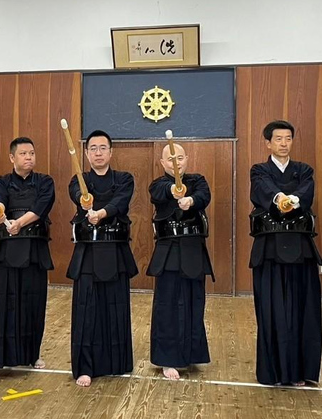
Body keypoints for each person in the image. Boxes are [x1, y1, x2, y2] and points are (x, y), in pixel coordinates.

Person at [250, 120, 322, 386]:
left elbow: (306, 192)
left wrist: (291, 201)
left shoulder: (304, 170)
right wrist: (280, 198)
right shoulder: (259, 170)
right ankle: (273, 372)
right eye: (278, 139)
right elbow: (263, 191)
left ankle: (301, 371)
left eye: (288, 138)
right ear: (268, 142)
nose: (283, 143)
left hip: (300, 249)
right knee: (272, 310)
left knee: (304, 308)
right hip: (269, 249)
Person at [0, 137, 55, 386]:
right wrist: (0, 212)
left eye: (32, 153)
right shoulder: (1, 182)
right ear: (12, 158)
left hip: (33, 247)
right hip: (6, 250)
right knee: (1, 304)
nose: (29, 157)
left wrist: (20, 223)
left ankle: (31, 354)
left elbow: (41, 207)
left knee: (33, 302)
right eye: (23, 153)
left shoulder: (45, 181)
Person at [68, 130, 137, 387]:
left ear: (111, 151)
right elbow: (78, 194)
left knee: (116, 306)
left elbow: (121, 201)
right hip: (88, 252)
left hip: (115, 249)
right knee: (87, 310)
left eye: (102, 148)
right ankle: (86, 367)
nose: (98, 152)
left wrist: (103, 212)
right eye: (93, 148)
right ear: (86, 154)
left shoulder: (124, 178)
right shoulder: (79, 180)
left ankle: (117, 363)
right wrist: (85, 202)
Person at [148, 142, 213, 380]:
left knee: (195, 302)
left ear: (187, 159)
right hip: (169, 251)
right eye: (170, 159)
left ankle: (191, 353)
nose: (176, 162)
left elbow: (204, 196)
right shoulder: (158, 184)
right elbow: (162, 193)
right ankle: (167, 359)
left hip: (194, 250)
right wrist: (175, 193)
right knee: (168, 305)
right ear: (163, 163)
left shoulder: (198, 181)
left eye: (180, 158)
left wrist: (191, 201)